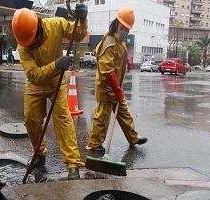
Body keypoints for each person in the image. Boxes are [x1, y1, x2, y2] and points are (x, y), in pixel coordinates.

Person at [12, 5, 88, 180]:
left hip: (56, 82)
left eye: (33, 40)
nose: (31, 45)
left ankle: (72, 164)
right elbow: (34, 76)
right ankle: (40, 154)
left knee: (62, 118)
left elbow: (77, 34)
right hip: (36, 83)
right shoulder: (23, 46)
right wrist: (55, 64)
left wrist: (82, 20)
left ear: (38, 27)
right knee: (31, 120)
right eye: (27, 43)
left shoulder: (56, 25)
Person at [86, 7, 148, 155]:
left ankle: (133, 138)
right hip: (107, 86)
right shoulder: (110, 42)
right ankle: (94, 144)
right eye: (122, 28)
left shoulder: (119, 39)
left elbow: (120, 48)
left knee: (124, 113)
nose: (125, 31)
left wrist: (127, 59)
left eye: (127, 29)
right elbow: (107, 72)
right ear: (116, 24)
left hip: (116, 85)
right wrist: (118, 91)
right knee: (102, 117)